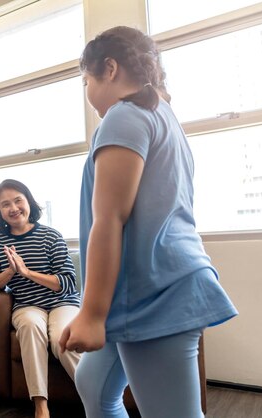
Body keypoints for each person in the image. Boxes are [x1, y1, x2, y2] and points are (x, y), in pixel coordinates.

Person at [59, 26, 238, 418]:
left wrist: (91, 314)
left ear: (109, 68)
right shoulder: (160, 113)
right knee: (93, 382)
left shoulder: (125, 115)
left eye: (86, 80)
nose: (88, 93)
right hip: (142, 288)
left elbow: (110, 218)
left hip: (152, 292)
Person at [0, 179, 81, 418]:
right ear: (0, 212)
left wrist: (27, 272)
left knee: (60, 337)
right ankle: (40, 405)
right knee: (29, 325)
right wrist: (10, 271)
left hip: (62, 303)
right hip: (27, 306)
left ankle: (97, 395)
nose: (13, 208)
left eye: (18, 200)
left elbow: (67, 281)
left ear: (28, 202)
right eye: (5, 204)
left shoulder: (50, 236)